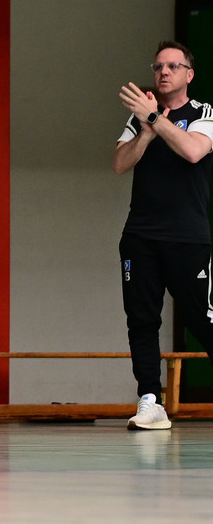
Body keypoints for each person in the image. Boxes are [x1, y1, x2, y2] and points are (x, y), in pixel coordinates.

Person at [114, 40, 213, 430]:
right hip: (139, 234)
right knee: (141, 319)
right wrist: (144, 132)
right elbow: (119, 163)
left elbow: (193, 151)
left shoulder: (203, 113)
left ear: (189, 74)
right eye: (158, 67)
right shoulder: (141, 116)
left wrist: (155, 118)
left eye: (173, 66)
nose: (163, 72)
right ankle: (150, 400)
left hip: (186, 236)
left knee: (201, 318)